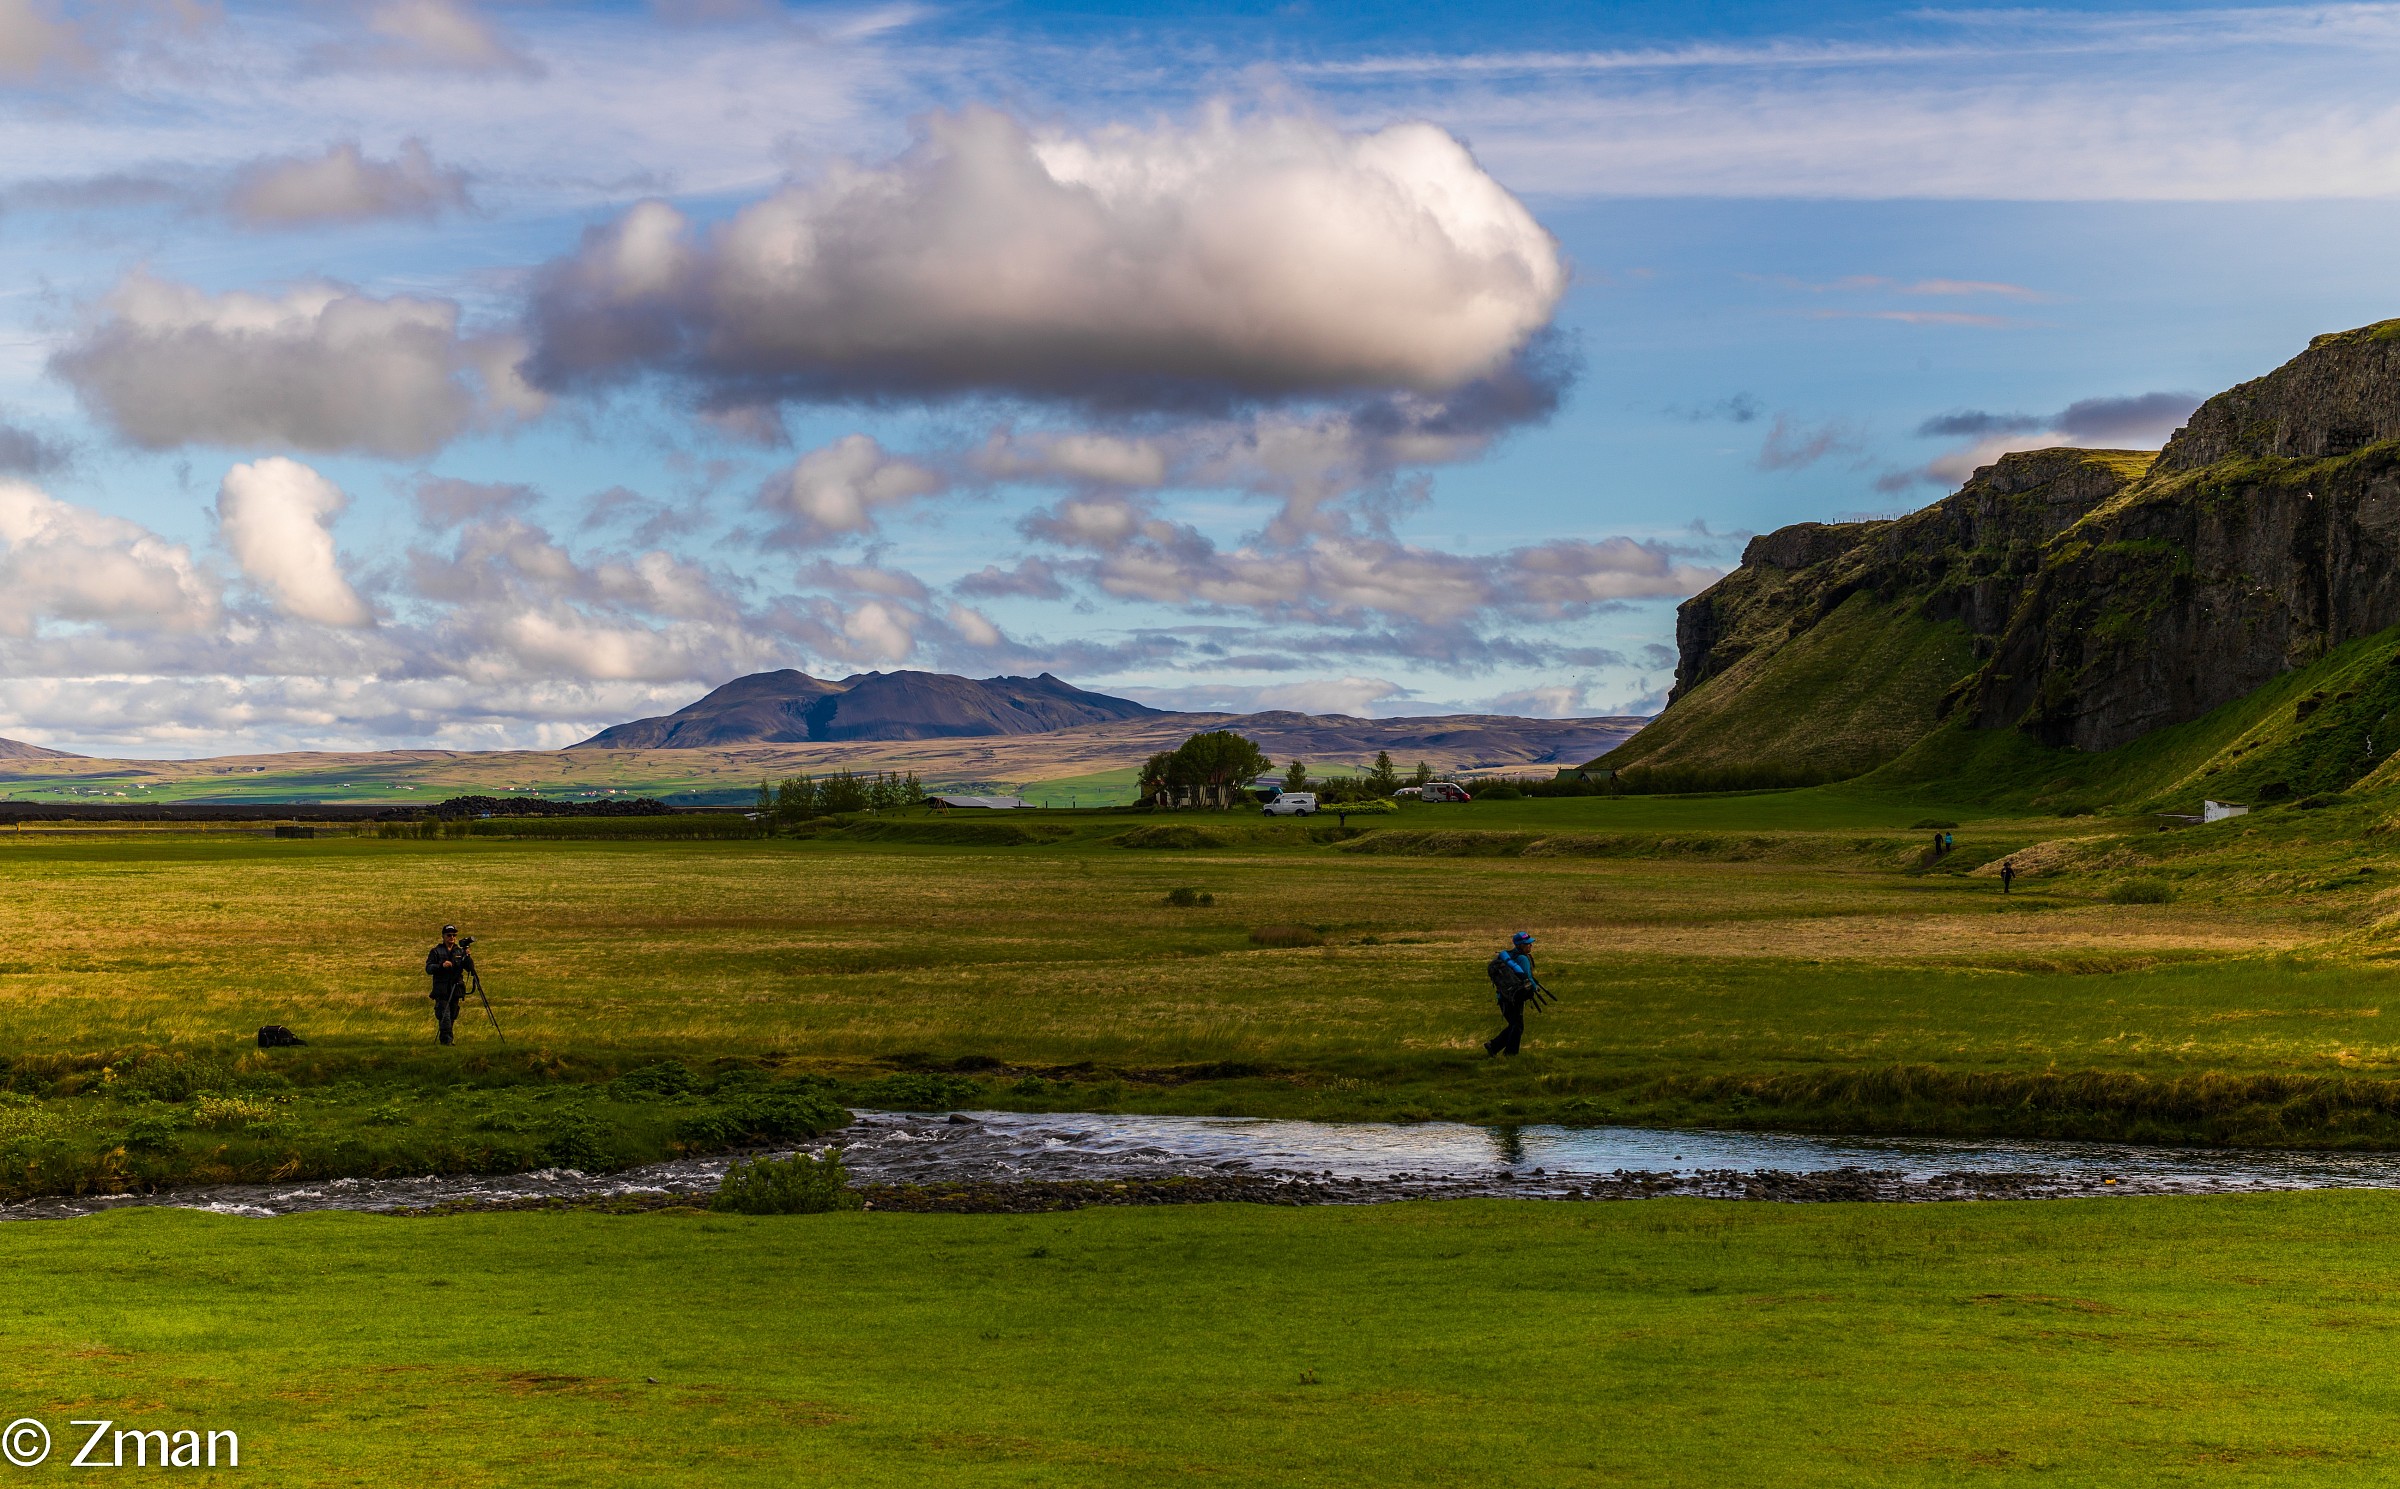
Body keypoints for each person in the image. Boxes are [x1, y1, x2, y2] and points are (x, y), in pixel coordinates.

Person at [1485, 931, 1542, 1058]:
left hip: (1503, 997)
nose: (1530, 946)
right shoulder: (1522, 958)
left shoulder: (1507, 957)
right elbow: (1527, 978)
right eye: (1527, 944)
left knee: (1515, 1025)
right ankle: (1509, 1054)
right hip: (1515, 998)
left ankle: (1494, 1046)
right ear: (1521, 945)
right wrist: (1535, 988)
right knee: (1517, 1026)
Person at [424, 924, 475, 1045]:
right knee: (444, 1015)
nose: (452, 937)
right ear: (443, 936)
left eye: (454, 935)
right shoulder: (436, 951)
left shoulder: (459, 951)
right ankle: (447, 1042)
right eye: (449, 935)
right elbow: (428, 968)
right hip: (441, 989)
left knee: (452, 1014)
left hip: (456, 988)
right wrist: (441, 966)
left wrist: (467, 956)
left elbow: (470, 969)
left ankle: (446, 1039)